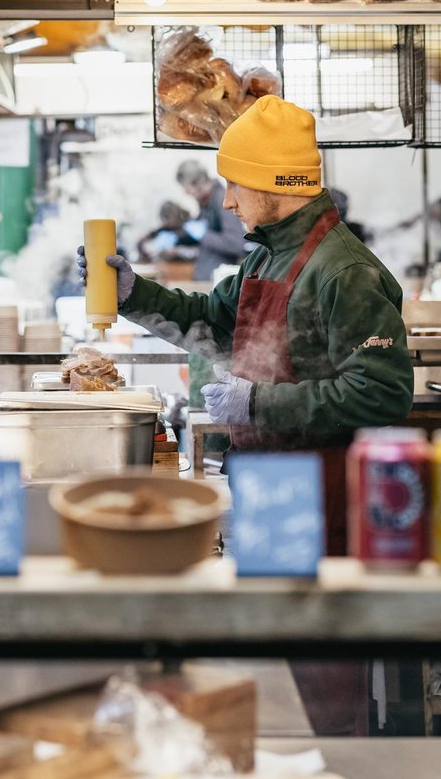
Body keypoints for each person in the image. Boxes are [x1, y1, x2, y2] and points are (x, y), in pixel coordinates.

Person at [80, 96, 414, 737]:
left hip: (323, 493)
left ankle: (334, 764)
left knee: (319, 660)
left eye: (235, 184)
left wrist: (258, 402)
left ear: (271, 183)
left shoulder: (344, 271)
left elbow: (383, 392)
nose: (228, 201)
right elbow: (211, 323)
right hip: (269, 485)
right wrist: (133, 296)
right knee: (273, 657)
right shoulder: (267, 254)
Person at [175, 161, 250, 281]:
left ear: (196, 183)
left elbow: (236, 244)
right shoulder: (206, 202)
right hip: (205, 277)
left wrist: (204, 235)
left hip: (218, 280)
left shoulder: (222, 200)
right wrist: (176, 238)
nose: (186, 193)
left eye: (187, 189)